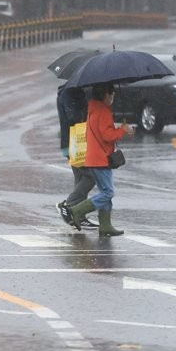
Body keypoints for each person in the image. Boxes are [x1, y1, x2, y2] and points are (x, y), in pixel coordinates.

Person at [68, 84, 135, 237]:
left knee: (105, 191)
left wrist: (118, 129)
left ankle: (105, 225)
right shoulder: (103, 111)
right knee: (107, 192)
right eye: (112, 95)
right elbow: (107, 136)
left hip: (94, 157)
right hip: (100, 159)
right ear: (105, 95)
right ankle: (77, 211)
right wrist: (122, 130)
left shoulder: (92, 109)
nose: (113, 98)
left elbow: (99, 132)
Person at [55, 85, 97, 229]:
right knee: (90, 176)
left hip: (74, 142)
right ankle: (69, 206)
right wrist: (86, 110)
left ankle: (78, 216)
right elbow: (72, 117)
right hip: (74, 142)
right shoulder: (68, 92)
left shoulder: (73, 91)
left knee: (80, 178)